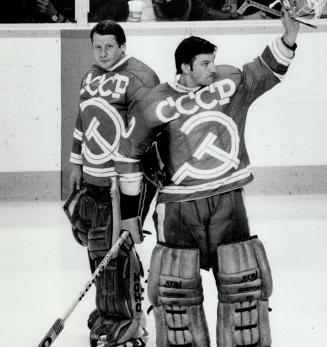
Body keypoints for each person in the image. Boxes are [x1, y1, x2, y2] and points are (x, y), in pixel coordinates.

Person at [118, 7, 300, 347]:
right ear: (185, 67)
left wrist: (289, 36)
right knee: (177, 295)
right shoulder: (153, 102)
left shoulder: (229, 83)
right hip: (178, 207)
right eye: (204, 63)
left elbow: (264, 71)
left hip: (228, 199)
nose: (212, 68)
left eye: (213, 61)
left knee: (243, 288)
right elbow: (128, 156)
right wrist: (130, 216)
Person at [69, 20, 160, 347]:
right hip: (92, 180)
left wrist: (133, 194)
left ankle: (126, 320)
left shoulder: (139, 78)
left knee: (113, 252)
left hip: (121, 183)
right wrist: (76, 162)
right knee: (97, 247)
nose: (103, 53)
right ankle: (113, 306)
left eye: (110, 46)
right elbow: (84, 118)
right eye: (98, 47)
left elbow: (147, 135)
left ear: (122, 45)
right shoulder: (91, 75)